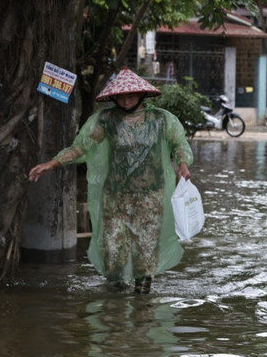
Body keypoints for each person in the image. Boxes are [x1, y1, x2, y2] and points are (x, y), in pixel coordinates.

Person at [28, 68, 194, 294]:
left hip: (151, 196)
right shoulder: (106, 121)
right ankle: (116, 299)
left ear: (142, 94)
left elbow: (179, 144)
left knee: (145, 250)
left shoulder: (161, 120)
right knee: (113, 248)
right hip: (115, 195)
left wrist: (183, 164)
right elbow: (82, 147)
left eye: (131, 96)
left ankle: (142, 301)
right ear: (114, 98)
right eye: (121, 97)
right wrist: (53, 163)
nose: (126, 101)